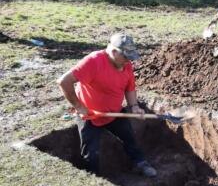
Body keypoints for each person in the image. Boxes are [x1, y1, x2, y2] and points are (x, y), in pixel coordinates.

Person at [57, 33, 157, 177]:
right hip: (90, 115)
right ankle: (94, 178)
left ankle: (141, 163)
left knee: (130, 138)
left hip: (114, 112)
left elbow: (130, 88)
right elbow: (63, 81)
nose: (128, 61)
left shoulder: (126, 65)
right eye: (126, 57)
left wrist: (134, 106)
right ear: (114, 52)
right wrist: (79, 107)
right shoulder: (93, 62)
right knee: (91, 153)